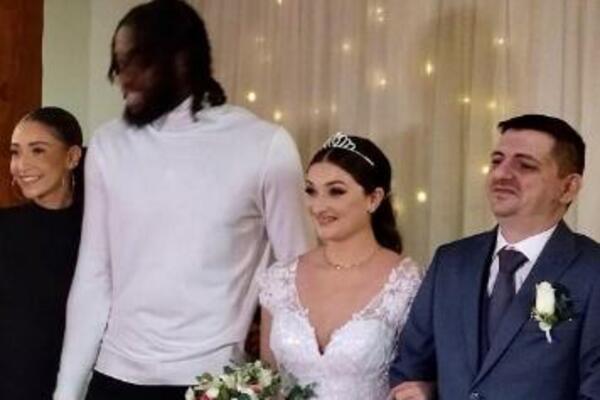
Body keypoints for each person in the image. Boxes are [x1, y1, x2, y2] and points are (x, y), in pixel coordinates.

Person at [53, 1, 311, 400]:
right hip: (114, 376)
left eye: (136, 63)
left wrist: (286, 386)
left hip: (214, 382)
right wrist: (67, 391)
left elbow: (296, 275)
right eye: (119, 65)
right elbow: (94, 274)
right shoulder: (108, 145)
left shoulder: (264, 146)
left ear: (182, 60)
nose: (123, 79)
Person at [390, 114, 600, 400]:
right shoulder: (450, 262)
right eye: (497, 161)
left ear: (568, 187)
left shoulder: (592, 270)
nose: (502, 174)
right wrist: (428, 391)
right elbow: (410, 369)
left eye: (525, 165)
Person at [259, 132, 422, 399]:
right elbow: (265, 383)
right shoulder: (278, 280)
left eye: (335, 191)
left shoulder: (407, 283)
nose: (318, 206)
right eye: (311, 191)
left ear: (374, 198)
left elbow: (421, 378)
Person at [0, 107, 84, 400]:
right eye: (15, 152)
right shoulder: (5, 227)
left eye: (37, 150)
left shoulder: (98, 232)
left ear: (72, 157)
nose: (21, 165)